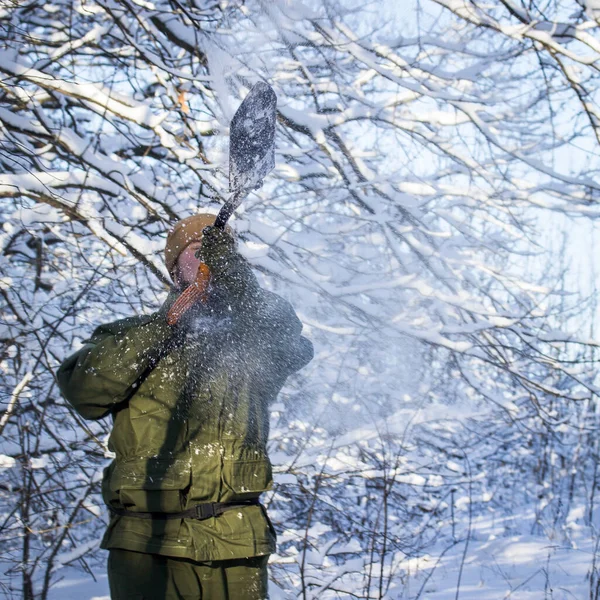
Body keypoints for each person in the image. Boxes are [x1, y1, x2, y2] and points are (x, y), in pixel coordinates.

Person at [56, 214, 313, 600]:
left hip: (235, 539)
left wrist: (235, 278)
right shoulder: (131, 335)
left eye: (223, 255)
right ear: (177, 268)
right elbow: (84, 389)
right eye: (198, 253)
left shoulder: (252, 341)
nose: (210, 262)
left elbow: (291, 341)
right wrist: (166, 325)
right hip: (146, 543)